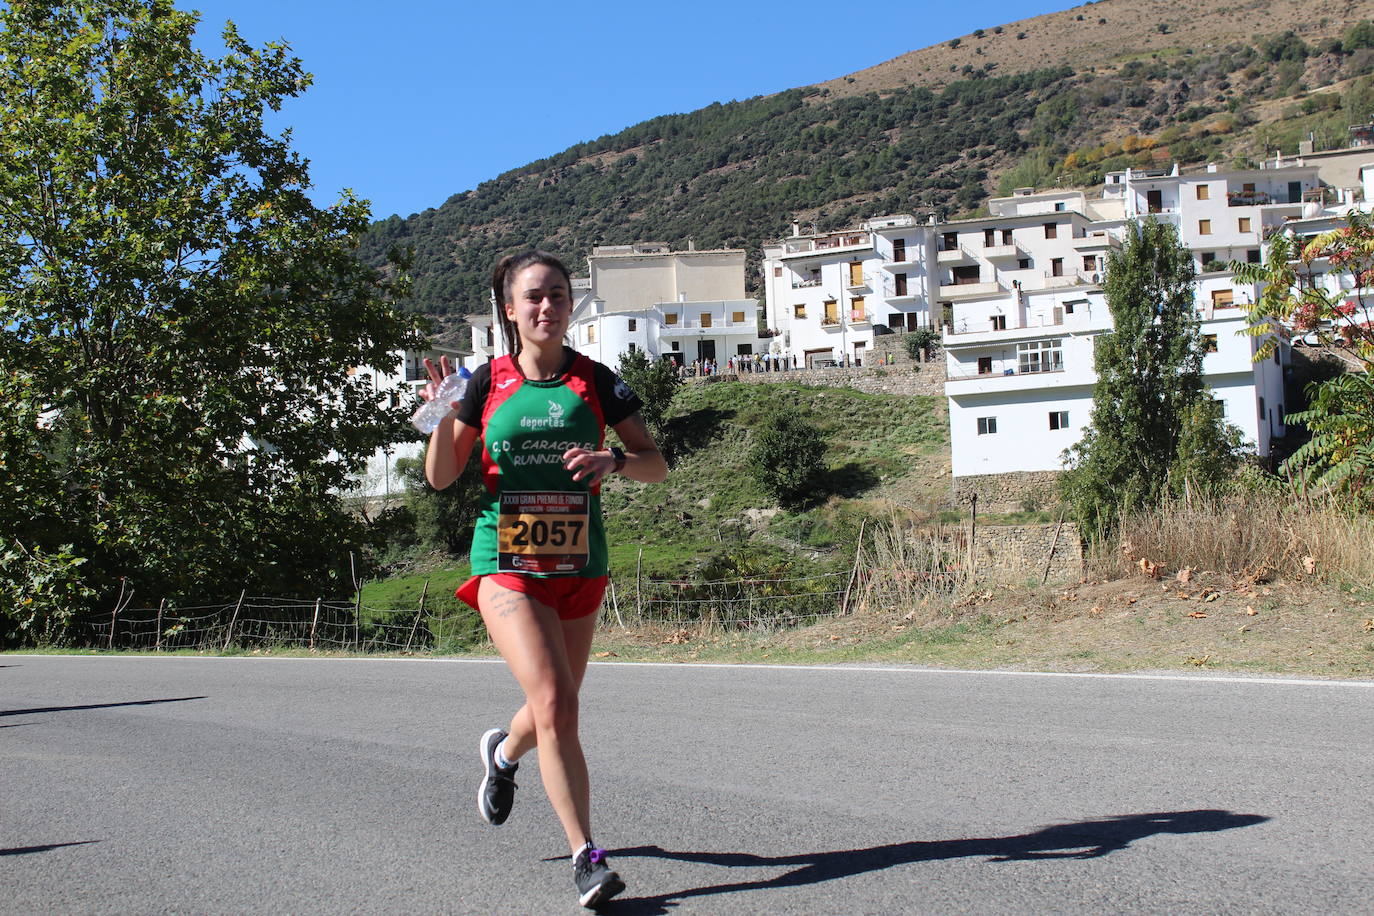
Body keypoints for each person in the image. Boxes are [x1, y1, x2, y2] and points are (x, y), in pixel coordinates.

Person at [421, 250, 668, 908]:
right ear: (510, 308)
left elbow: (655, 463)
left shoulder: (598, 381)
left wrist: (613, 462)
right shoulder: (483, 382)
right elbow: (442, 477)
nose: (547, 306)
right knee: (560, 704)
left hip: (579, 561)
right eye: (533, 296)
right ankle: (587, 855)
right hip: (505, 560)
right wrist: (443, 414)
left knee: (550, 708)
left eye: (558, 295)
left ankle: (503, 755)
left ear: (570, 305)